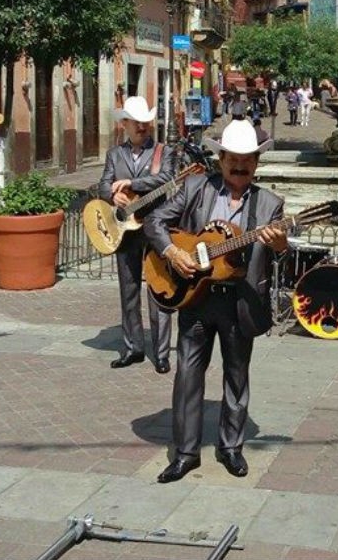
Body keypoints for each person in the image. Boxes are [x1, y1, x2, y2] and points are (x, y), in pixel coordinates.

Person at [143, 119, 287, 483]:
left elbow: (280, 254)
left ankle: (232, 448)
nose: (240, 167)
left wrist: (279, 243)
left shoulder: (270, 203)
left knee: (236, 376)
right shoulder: (195, 188)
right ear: (220, 158)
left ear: (257, 162)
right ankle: (186, 453)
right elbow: (155, 222)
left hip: (240, 301)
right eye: (232, 159)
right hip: (195, 296)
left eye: (247, 160)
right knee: (188, 376)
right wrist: (174, 252)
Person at [99, 96, 174, 373]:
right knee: (128, 290)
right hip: (126, 231)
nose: (143, 126)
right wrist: (112, 196)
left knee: (159, 289)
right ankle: (133, 348)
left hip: (155, 227)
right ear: (125, 124)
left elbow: (167, 178)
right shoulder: (114, 154)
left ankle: (162, 352)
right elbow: (103, 184)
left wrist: (133, 182)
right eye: (137, 122)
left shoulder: (162, 151)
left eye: (146, 122)